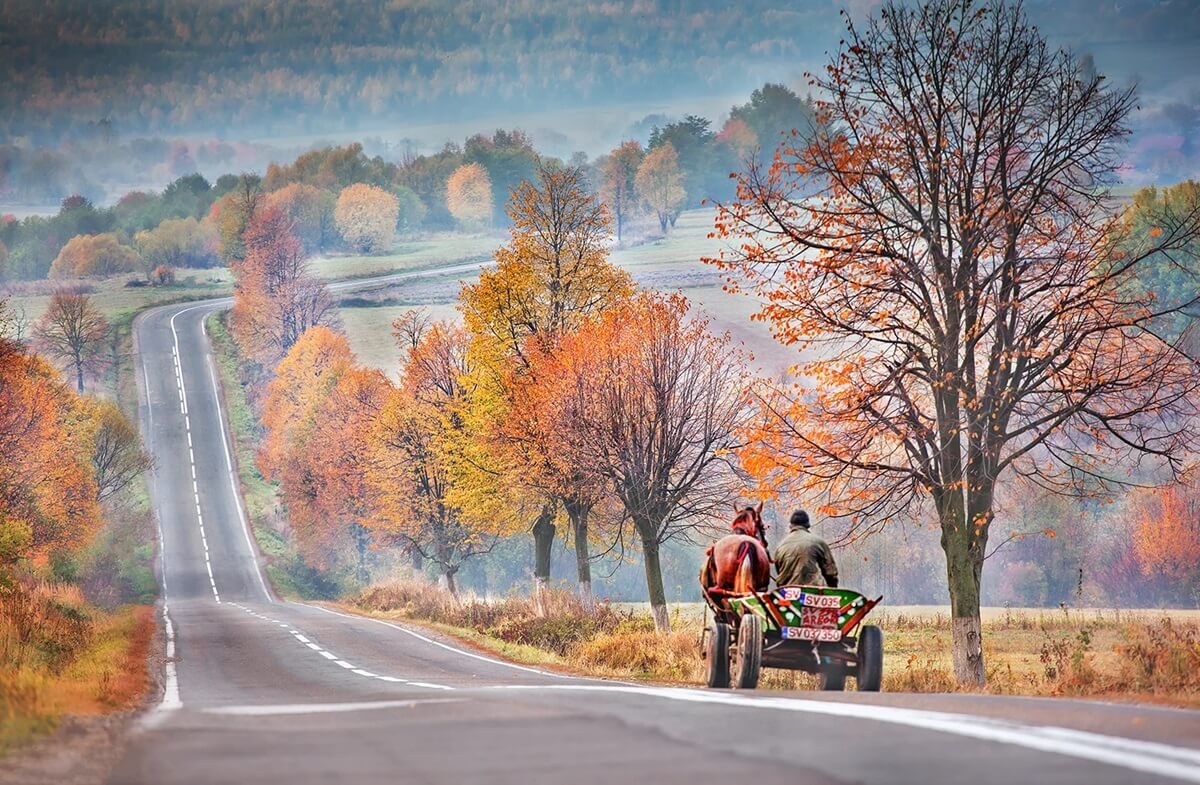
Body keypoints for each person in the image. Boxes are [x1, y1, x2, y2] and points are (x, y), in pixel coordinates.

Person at [773, 509, 838, 587]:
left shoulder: (780, 546)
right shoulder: (818, 542)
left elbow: (779, 571)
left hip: (787, 593)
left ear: (791, 526)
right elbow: (830, 572)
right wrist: (832, 589)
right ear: (808, 525)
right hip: (813, 592)